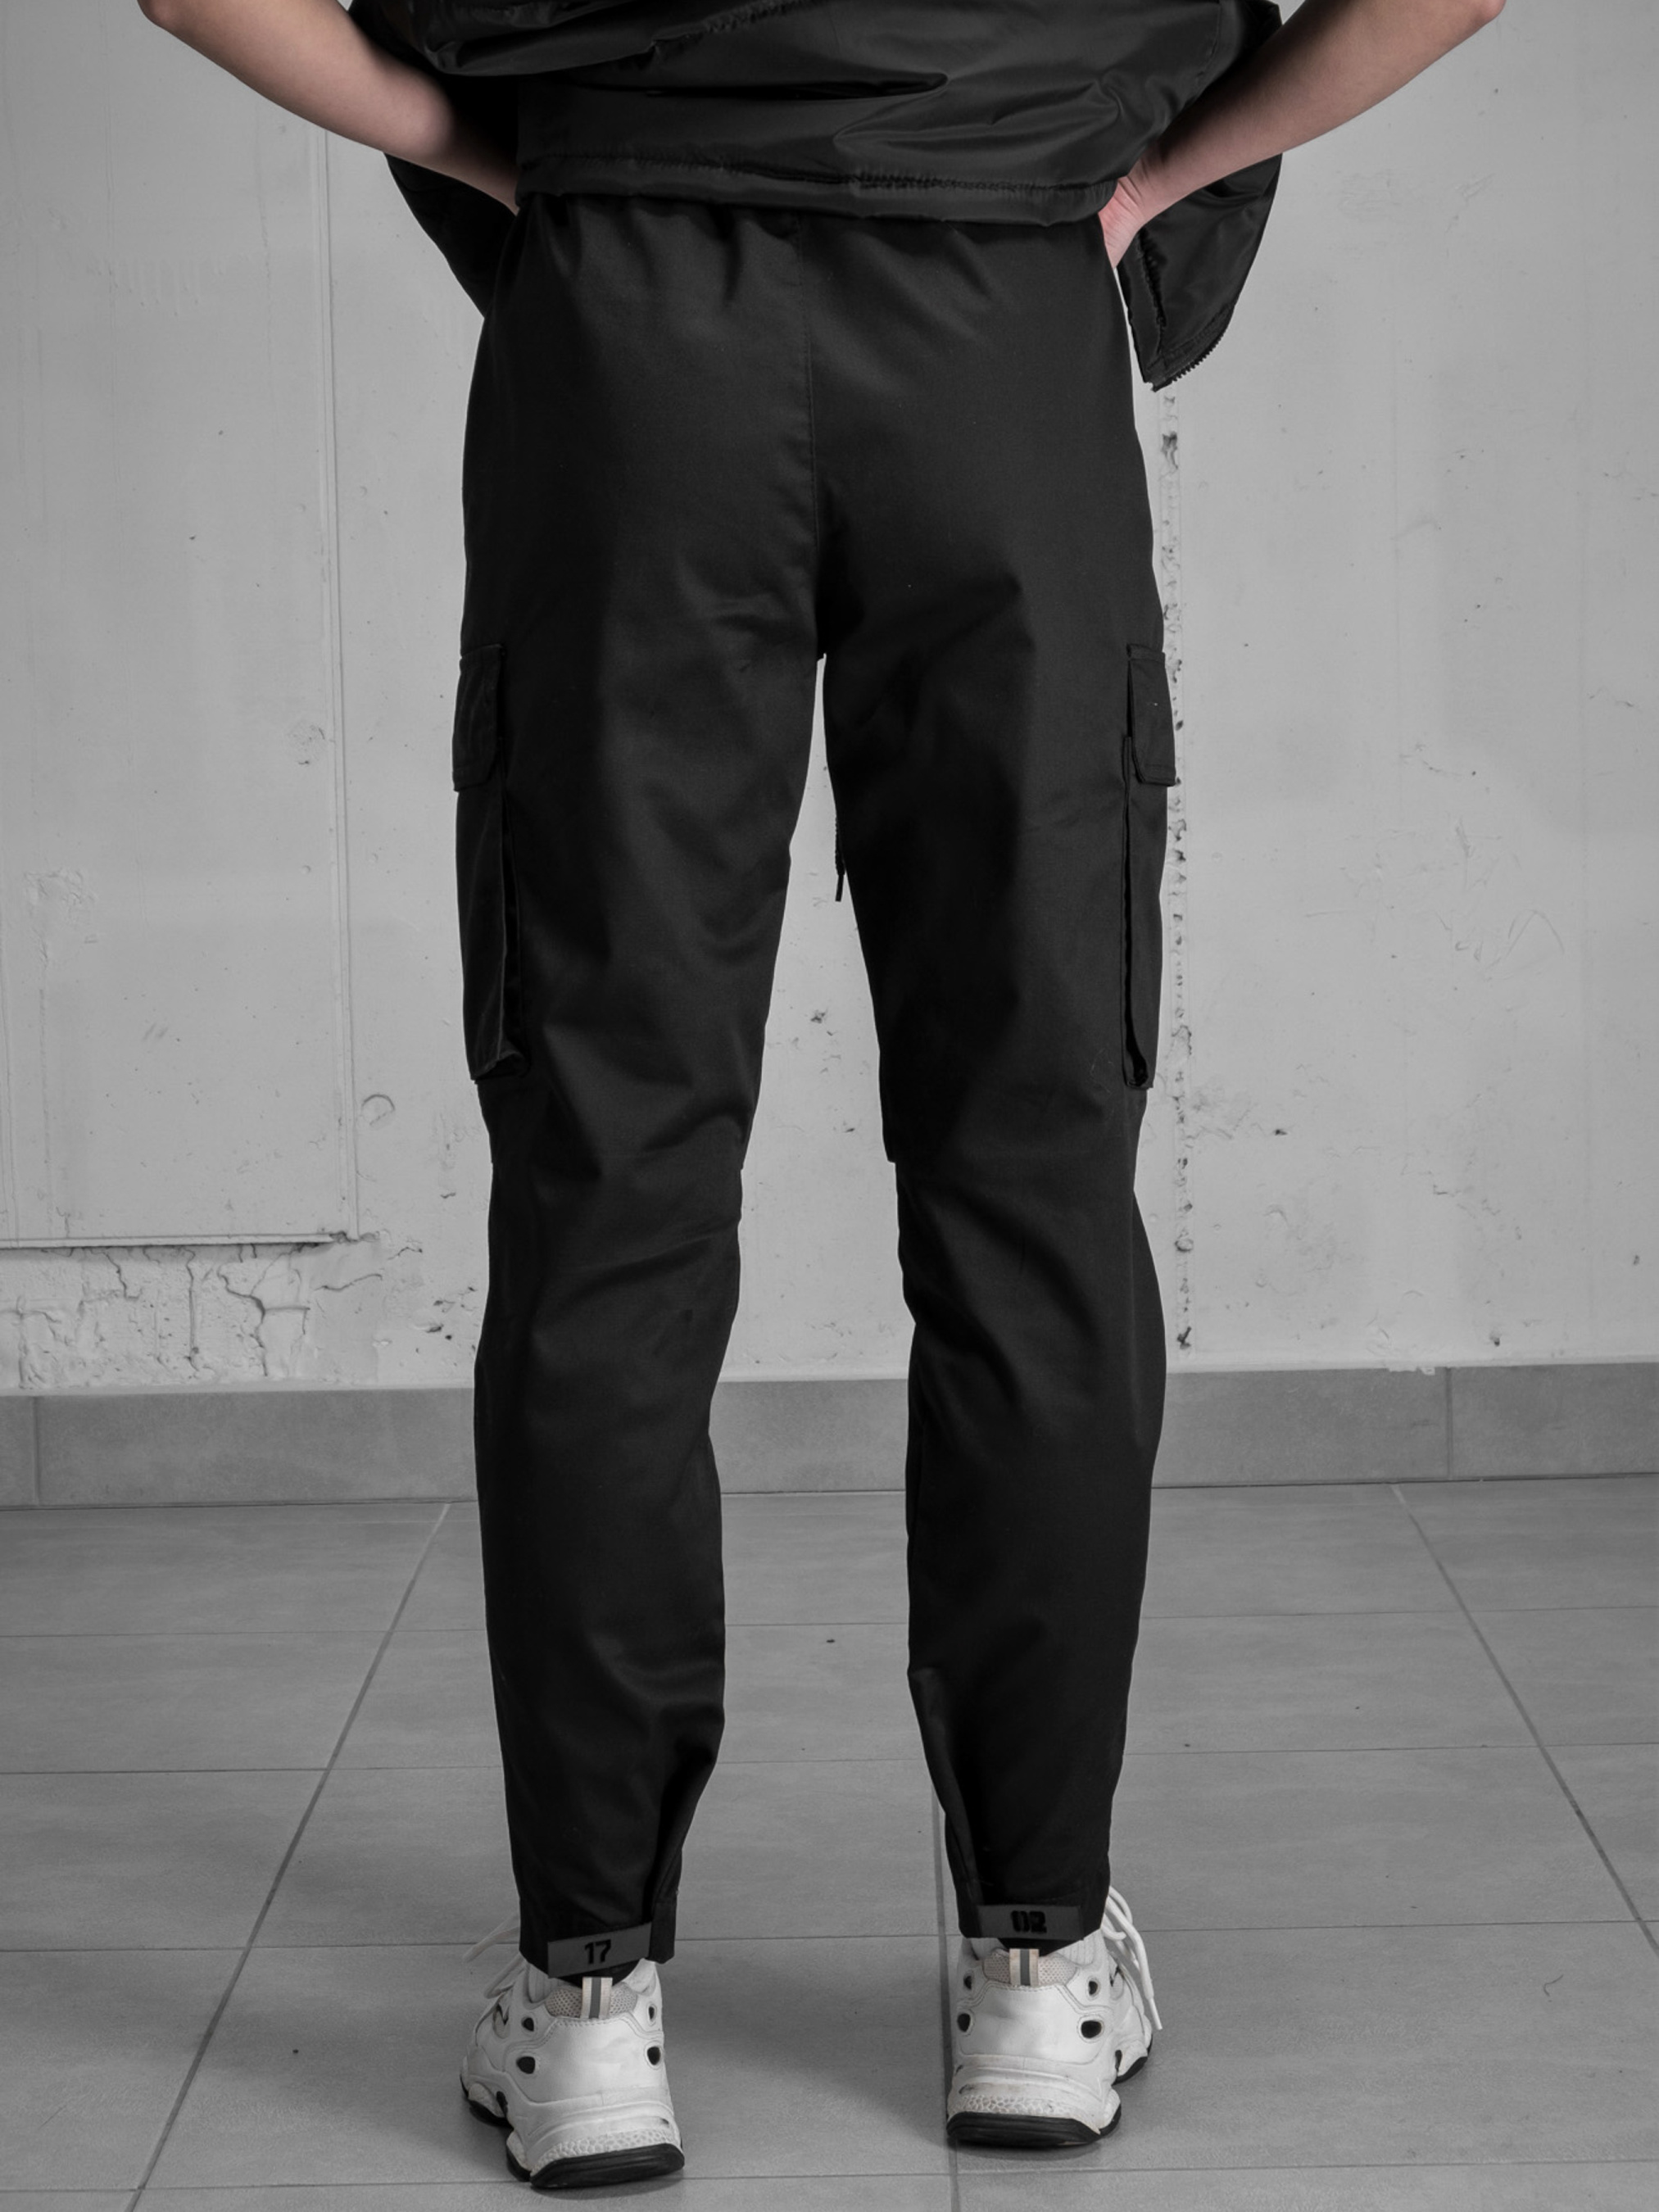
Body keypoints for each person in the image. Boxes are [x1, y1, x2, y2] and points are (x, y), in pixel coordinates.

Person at [138, 0, 1507, 2190]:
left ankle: (588, 2004)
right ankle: (1035, 1968)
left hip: (629, 341)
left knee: (606, 1182)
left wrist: (500, 153)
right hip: (999, 319)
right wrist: (1153, 174)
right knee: (1032, 1171)